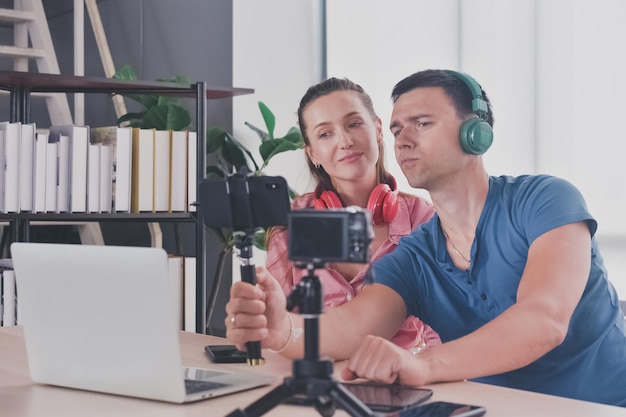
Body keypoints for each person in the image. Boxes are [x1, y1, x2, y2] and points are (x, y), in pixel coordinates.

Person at [225, 69, 626, 406]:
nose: (402, 139)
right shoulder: (414, 255)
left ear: (476, 134)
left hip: (602, 407)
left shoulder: (545, 199)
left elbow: (544, 320)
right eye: (398, 128)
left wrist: (424, 363)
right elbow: (350, 325)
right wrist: (283, 330)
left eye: (422, 124)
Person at [264, 77, 440, 352]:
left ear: (378, 129)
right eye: (325, 134)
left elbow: (440, 332)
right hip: (312, 382)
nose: (345, 141)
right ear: (312, 153)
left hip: (401, 384)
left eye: (354, 124)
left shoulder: (423, 219)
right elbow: (276, 328)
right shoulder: (292, 224)